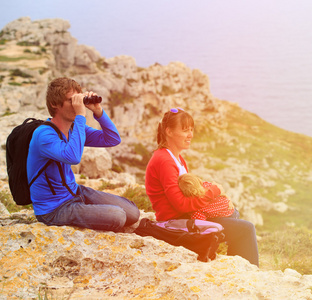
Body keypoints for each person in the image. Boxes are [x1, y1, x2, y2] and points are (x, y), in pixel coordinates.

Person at [145, 107, 259, 266]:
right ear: (169, 131)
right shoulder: (164, 160)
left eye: (191, 130)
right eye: (185, 130)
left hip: (186, 216)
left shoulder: (177, 158)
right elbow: (181, 204)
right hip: (176, 222)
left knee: (234, 214)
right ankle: (248, 275)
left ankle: (237, 268)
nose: (190, 135)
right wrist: (213, 191)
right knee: (246, 229)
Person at [28, 77, 140, 232]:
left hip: (74, 192)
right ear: (54, 104)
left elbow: (112, 139)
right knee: (118, 216)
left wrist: (98, 111)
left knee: (133, 213)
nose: (77, 105)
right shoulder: (44, 135)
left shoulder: (73, 128)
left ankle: (85, 209)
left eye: (79, 100)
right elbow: (72, 157)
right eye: (72, 101)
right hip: (53, 209)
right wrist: (81, 115)